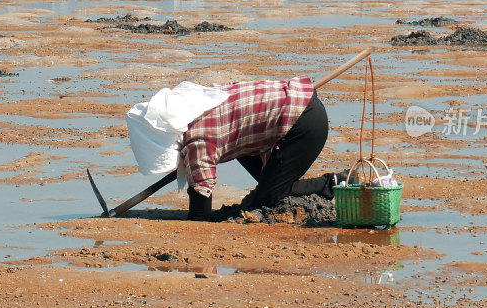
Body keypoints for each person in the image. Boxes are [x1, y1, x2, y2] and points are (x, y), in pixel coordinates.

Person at [126, 77, 343, 221]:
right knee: (270, 186)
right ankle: (318, 184)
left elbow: (202, 194)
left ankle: (332, 183)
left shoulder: (198, 140)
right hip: (283, 116)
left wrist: (197, 220)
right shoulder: (195, 104)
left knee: (264, 200)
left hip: (302, 122)